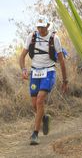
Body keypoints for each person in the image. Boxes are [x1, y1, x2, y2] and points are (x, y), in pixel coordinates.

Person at [19, 15, 68, 145]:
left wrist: (65, 81)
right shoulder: (32, 37)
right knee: (35, 105)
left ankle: (35, 134)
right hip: (35, 73)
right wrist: (24, 70)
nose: (40, 29)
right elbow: (22, 56)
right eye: (38, 27)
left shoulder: (54, 39)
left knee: (40, 100)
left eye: (42, 27)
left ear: (47, 26)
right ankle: (44, 117)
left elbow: (62, 61)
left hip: (49, 72)